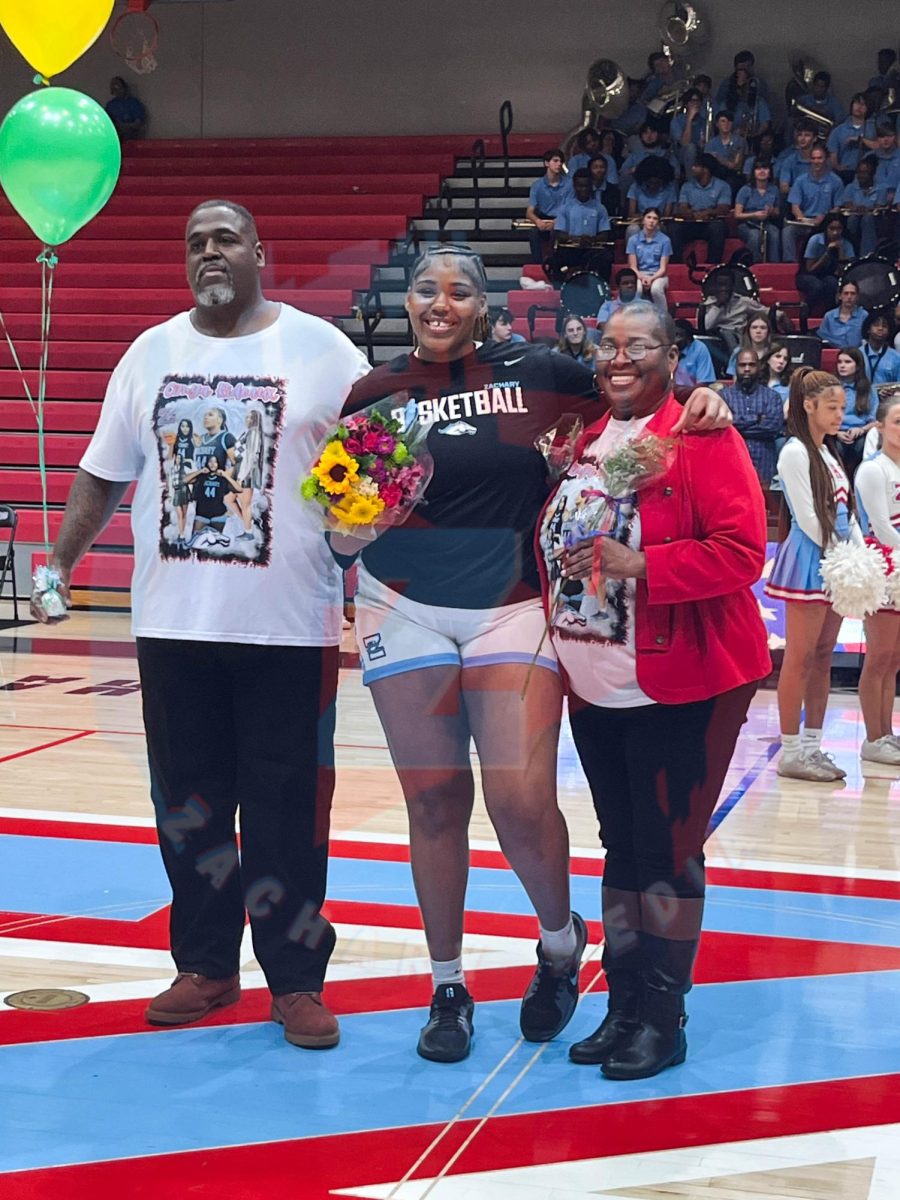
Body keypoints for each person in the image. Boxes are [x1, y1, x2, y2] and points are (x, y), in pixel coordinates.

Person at [335, 244, 731, 1065]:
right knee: (436, 802)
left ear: (486, 306)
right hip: (400, 604)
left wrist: (708, 399)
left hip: (512, 608)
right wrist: (353, 527)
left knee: (518, 801)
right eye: (425, 290)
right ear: (406, 302)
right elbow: (338, 526)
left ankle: (559, 945)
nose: (440, 303)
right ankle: (448, 985)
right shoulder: (374, 395)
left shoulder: (543, 370)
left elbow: (638, 397)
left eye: (459, 291)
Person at [29, 200, 373, 1046]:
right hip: (175, 627)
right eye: (195, 243)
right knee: (188, 805)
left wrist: (361, 551)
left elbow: (372, 462)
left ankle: (295, 980)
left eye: (224, 239)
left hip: (288, 630)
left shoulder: (322, 350)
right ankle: (207, 965)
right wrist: (60, 562)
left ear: (261, 250)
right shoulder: (151, 352)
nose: (209, 253)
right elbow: (103, 474)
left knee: (287, 811)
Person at [537, 302, 770, 1080]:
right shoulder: (582, 438)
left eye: (640, 345)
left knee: (667, 852)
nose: (619, 357)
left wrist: (641, 566)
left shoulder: (702, 433)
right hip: (595, 685)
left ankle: (663, 1017)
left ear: (674, 357)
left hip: (684, 680)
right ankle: (623, 1003)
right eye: (608, 345)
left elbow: (741, 553)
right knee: (621, 847)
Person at [765, 368, 862, 782]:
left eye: (843, 407)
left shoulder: (828, 453)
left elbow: (846, 513)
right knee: (801, 658)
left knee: (823, 657)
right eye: (832, 407)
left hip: (837, 561)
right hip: (810, 560)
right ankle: (790, 750)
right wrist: (841, 554)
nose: (841, 415)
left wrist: (860, 556)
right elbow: (807, 519)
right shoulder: (794, 452)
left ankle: (812, 746)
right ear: (809, 406)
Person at [854, 391, 900, 765]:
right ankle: (873, 737)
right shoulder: (873, 468)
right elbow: (881, 526)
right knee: (879, 654)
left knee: (894, 658)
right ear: (881, 426)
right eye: (897, 421)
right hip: (885, 564)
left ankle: (887, 733)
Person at [721, 349, 786, 485]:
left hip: (764, 463)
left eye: (751, 365)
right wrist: (756, 419)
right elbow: (723, 426)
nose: (747, 369)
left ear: (759, 366)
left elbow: (772, 428)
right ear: (735, 367)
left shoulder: (772, 396)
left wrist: (736, 423)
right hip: (732, 461)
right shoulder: (723, 396)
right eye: (742, 365)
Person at [782, 145, 845, 263]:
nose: (816, 161)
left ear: (825, 159)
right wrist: (801, 218)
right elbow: (795, 206)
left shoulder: (836, 181)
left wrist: (825, 218)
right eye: (814, 158)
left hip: (826, 224)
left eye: (819, 158)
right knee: (788, 231)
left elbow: (837, 207)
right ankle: (790, 264)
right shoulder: (800, 181)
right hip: (806, 223)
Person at [550, 169, 612, 283]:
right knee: (555, 259)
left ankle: (603, 288)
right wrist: (576, 239)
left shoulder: (600, 208)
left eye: (586, 186)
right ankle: (558, 290)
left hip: (591, 249)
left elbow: (604, 234)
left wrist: (592, 239)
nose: (583, 189)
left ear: (591, 186)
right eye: (580, 186)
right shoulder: (565, 207)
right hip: (571, 250)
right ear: (574, 186)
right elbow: (559, 233)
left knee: (606, 257)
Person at [672, 154, 731, 264]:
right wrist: (693, 214)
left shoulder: (723, 186)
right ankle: (677, 263)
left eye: (696, 166)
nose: (692, 168)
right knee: (674, 227)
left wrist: (707, 212)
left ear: (706, 169)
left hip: (711, 223)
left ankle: (712, 265)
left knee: (718, 227)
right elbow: (682, 208)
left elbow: (723, 209)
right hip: (691, 223)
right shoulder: (687, 186)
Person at [796, 214, 855, 317]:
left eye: (838, 229)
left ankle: (829, 315)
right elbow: (810, 269)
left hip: (828, 275)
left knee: (833, 283)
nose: (835, 232)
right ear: (826, 228)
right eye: (832, 229)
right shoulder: (815, 240)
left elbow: (844, 272)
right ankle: (804, 314)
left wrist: (840, 251)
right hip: (807, 275)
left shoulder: (846, 244)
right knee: (817, 286)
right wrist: (827, 253)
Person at [702, 268, 770, 353]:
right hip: (716, 344)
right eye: (721, 285)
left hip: (740, 341)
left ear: (732, 286)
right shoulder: (707, 305)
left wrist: (780, 315)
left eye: (727, 285)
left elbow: (768, 312)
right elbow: (705, 326)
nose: (724, 288)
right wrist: (718, 305)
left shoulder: (743, 302)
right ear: (715, 286)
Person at [834, 348, 877, 476]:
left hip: (861, 432)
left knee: (861, 446)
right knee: (838, 448)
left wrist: (862, 429)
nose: (842, 365)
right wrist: (837, 432)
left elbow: (875, 420)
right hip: (836, 432)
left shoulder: (868, 389)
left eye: (847, 362)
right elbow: (822, 418)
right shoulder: (830, 388)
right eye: (839, 362)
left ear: (857, 366)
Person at [526, 148, 570, 265]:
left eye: (561, 161)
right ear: (546, 163)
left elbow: (571, 208)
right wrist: (538, 221)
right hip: (544, 218)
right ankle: (538, 264)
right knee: (533, 232)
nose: (559, 164)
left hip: (563, 220)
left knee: (558, 231)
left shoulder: (569, 184)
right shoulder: (537, 185)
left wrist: (557, 222)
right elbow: (530, 212)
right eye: (555, 161)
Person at [838, 156, 888, 257]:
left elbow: (879, 206)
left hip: (874, 221)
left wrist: (866, 209)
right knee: (853, 219)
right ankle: (850, 254)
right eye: (859, 172)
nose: (861, 175)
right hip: (853, 218)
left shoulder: (881, 188)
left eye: (865, 173)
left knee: (867, 219)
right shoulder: (850, 187)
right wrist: (856, 208)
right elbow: (847, 204)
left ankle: (867, 256)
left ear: (872, 174)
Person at [734, 161, 782, 262]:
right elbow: (737, 214)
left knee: (775, 232)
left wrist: (770, 212)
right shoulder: (745, 189)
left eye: (765, 168)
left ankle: (774, 265)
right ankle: (754, 264)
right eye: (758, 169)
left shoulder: (774, 189)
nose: (762, 171)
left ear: (770, 172)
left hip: (766, 222)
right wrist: (754, 215)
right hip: (747, 224)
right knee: (754, 235)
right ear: (754, 172)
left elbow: (777, 212)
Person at [626, 208, 672, 312]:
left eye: (655, 218)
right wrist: (642, 278)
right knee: (636, 289)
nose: (651, 221)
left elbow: (663, 268)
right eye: (649, 217)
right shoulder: (633, 240)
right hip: (639, 274)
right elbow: (633, 267)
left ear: (658, 222)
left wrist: (651, 279)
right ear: (643, 220)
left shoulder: (665, 240)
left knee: (656, 289)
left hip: (659, 275)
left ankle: (663, 318)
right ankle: (634, 317)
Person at [827, 95, 878, 179]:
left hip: (867, 175)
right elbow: (833, 155)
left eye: (863, 104)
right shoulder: (838, 130)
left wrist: (861, 140)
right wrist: (838, 167)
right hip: (844, 173)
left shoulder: (873, 128)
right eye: (857, 103)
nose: (859, 107)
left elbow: (879, 146)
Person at [704, 110, 747, 193]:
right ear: (717, 124)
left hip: (733, 175)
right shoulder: (711, 143)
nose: (726, 124)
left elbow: (736, 166)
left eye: (729, 121)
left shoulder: (739, 141)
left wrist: (720, 159)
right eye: (723, 121)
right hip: (716, 174)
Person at [818, 280, 868, 349]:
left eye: (853, 293)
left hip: (857, 356)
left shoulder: (864, 316)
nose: (849, 297)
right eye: (846, 293)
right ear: (839, 296)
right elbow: (823, 339)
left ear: (857, 297)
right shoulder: (829, 316)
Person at [862, 313, 900, 385]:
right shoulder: (857, 354)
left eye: (884, 326)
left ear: (889, 331)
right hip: (861, 395)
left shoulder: (897, 357)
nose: (880, 328)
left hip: (889, 395)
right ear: (868, 329)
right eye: (876, 325)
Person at [674, 319, 716, 384]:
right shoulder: (664, 347)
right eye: (672, 335)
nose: (674, 339)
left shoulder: (699, 348)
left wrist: (679, 391)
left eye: (679, 335)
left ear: (689, 339)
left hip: (692, 391)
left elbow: (703, 384)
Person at [105, 75, 147, 140]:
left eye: (117, 86)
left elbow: (138, 124)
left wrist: (124, 126)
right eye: (113, 86)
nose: (115, 88)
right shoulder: (110, 105)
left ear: (124, 87)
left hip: (131, 138)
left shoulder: (133, 103)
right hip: (114, 138)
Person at [761, 340, 792, 405]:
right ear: (768, 359)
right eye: (778, 356)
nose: (781, 361)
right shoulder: (757, 382)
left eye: (785, 359)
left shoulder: (788, 386)